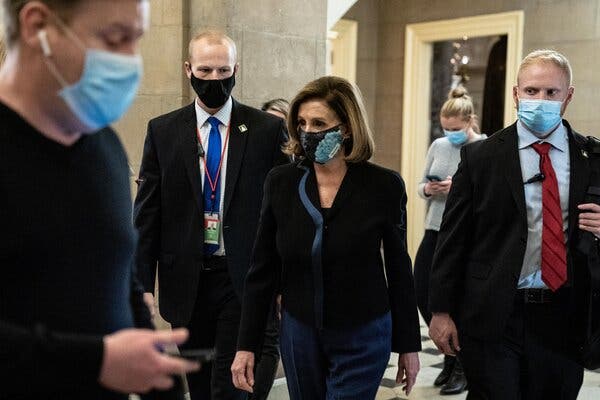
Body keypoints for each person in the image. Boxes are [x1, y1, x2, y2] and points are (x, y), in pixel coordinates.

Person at [0, 1, 199, 399]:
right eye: (115, 39)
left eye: (137, 39)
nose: (131, 62)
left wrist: (161, 381)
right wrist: (96, 361)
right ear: (38, 25)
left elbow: (121, 278)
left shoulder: (103, 145)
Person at [231, 76, 421, 400]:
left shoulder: (383, 186)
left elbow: (399, 269)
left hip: (364, 331)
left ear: (346, 128)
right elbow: (261, 269)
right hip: (298, 332)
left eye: (319, 123)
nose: (308, 132)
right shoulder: (281, 183)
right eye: (301, 123)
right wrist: (246, 345)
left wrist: (408, 346)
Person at [429, 49, 600, 399]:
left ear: (568, 96)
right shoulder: (481, 157)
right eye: (532, 91)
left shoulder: (591, 157)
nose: (541, 100)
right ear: (515, 93)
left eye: (552, 93)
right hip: (494, 312)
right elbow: (453, 239)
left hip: (564, 315)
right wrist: (441, 310)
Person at [133, 30, 287, 400]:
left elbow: (283, 211)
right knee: (199, 385)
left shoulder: (266, 130)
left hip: (242, 279)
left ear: (236, 69)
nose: (215, 79)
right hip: (185, 279)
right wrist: (140, 284)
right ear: (188, 70)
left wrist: (284, 279)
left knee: (228, 386)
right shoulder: (163, 131)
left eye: (223, 71)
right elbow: (147, 215)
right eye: (206, 70)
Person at [414, 86, 485, 395]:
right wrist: (429, 190)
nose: (450, 134)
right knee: (422, 291)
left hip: (468, 235)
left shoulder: (485, 148)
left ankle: (462, 366)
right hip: (434, 228)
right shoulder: (439, 145)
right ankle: (448, 356)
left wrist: (457, 188)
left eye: (455, 129)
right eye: (445, 128)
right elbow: (420, 185)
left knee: (457, 301)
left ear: (470, 121)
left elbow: (490, 196)